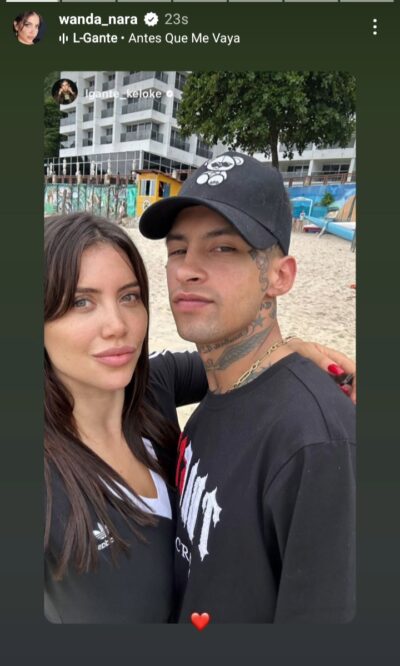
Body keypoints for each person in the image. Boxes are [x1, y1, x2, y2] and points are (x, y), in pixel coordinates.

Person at [139, 152, 356, 623]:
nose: (187, 269)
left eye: (222, 248)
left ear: (280, 276)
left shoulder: (315, 444)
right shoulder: (217, 394)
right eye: (177, 250)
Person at [44, 213, 207, 623]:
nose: (117, 326)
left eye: (129, 297)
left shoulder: (154, 386)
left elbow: (237, 363)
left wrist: (296, 351)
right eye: (82, 302)